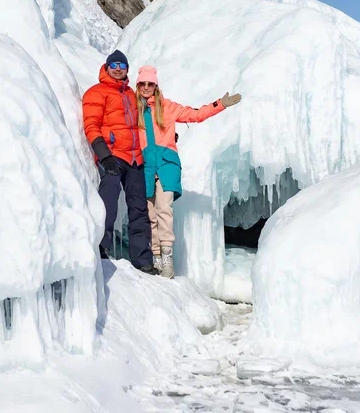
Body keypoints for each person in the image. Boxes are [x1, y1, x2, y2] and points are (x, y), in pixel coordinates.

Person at [135, 65, 241, 278]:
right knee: (149, 214)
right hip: (144, 166)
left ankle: (167, 259)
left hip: (166, 164)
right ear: (138, 86)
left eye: (150, 84)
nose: (146, 87)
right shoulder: (132, 108)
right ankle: (155, 256)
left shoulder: (167, 107)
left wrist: (220, 104)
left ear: (156, 86)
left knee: (164, 208)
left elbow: (196, 115)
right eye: (142, 84)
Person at [82, 50, 156, 273]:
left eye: (121, 66)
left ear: (126, 70)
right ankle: (101, 249)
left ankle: (143, 260)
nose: (117, 68)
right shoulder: (96, 93)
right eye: (113, 64)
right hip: (112, 156)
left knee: (139, 208)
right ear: (106, 67)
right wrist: (104, 155)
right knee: (109, 200)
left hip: (135, 158)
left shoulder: (132, 95)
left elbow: (148, 121)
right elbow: (91, 125)